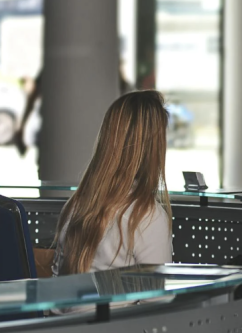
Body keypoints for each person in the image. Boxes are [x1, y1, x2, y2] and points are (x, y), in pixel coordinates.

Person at [51, 90, 172, 276]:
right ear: (154, 148)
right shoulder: (147, 217)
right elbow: (157, 292)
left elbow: (56, 280)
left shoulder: (75, 205)